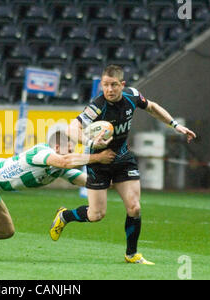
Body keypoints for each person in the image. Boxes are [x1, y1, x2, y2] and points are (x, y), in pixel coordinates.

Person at [50, 64, 197, 265]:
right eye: (105, 85)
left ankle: (132, 254)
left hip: (123, 159)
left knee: (134, 207)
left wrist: (175, 125)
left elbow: (152, 107)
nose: (109, 90)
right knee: (96, 215)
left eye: (113, 85)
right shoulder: (97, 106)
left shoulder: (132, 96)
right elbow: (72, 128)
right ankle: (65, 216)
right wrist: (91, 142)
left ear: (122, 84)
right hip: (99, 163)